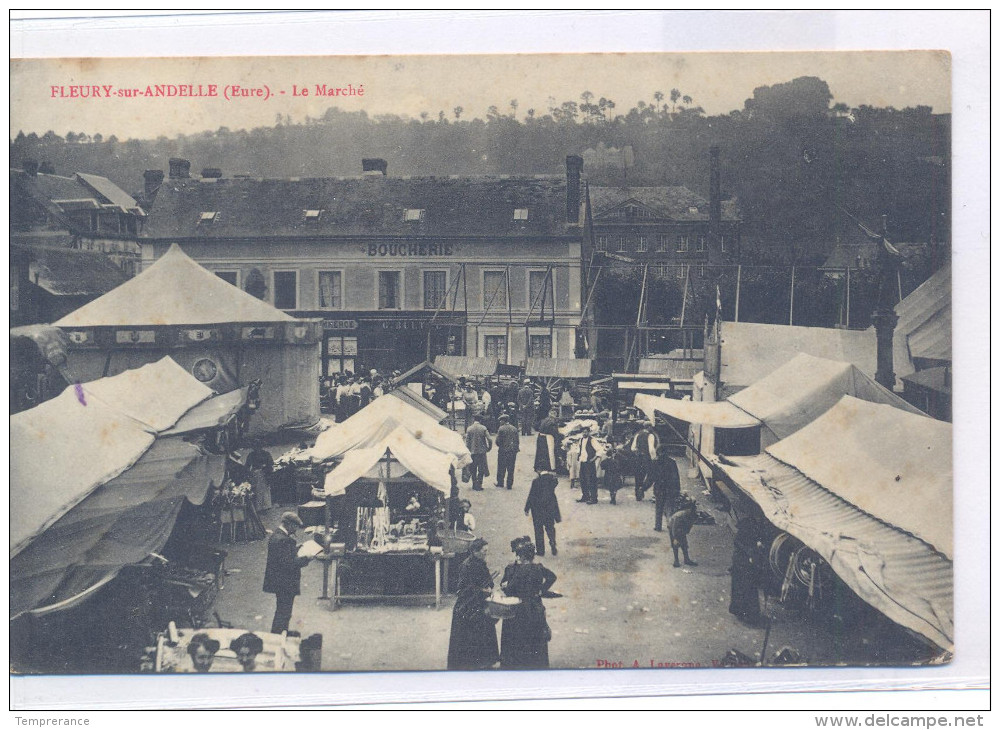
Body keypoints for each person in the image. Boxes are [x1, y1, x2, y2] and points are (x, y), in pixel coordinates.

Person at [499, 540, 557, 669]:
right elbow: (552, 577)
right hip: (534, 606)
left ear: (521, 556)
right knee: (534, 637)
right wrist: (541, 590)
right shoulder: (538, 568)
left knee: (516, 637)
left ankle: (516, 665)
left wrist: (505, 587)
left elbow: (510, 589)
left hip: (518, 607)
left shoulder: (516, 570)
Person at [446, 538, 500, 670]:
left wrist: (488, 588)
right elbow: (462, 589)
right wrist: (482, 590)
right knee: (470, 634)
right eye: (483, 551)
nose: (485, 553)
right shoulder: (466, 566)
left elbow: (488, 581)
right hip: (468, 605)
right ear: (475, 551)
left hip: (479, 602)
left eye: (487, 551)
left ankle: (483, 661)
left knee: (483, 631)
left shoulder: (480, 563)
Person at [263, 512, 313, 634]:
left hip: (279, 581)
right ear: (289, 524)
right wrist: (307, 558)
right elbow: (290, 563)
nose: (296, 529)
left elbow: (283, 555)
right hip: (285, 583)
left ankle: (280, 634)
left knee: (282, 611)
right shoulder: (284, 540)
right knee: (284, 613)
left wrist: (295, 549)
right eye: (295, 526)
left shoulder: (277, 535)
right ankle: (278, 636)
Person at [729, 519, 767, 626]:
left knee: (740, 589)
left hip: (740, 565)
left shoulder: (742, 535)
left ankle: (739, 610)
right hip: (742, 565)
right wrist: (752, 554)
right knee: (748, 589)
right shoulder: (745, 536)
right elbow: (748, 549)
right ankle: (750, 616)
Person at [525, 469, 560, 557]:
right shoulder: (552, 479)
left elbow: (531, 495)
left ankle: (541, 551)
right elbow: (555, 482)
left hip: (537, 509)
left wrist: (527, 508)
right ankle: (552, 541)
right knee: (550, 526)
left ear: (539, 470)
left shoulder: (536, 481)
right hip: (549, 507)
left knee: (538, 530)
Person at [629, 420, 660, 501]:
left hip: (638, 457)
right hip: (647, 457)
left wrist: (638, 452)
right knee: (651, 475)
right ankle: (642, 489)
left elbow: (633, 448)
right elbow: (651, 449)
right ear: (649, 427)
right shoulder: (650, 436)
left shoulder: (638, 435)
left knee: (638, 475)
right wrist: (654, 458)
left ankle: (637, 494)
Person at [651, 450, 681, 531]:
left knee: (659, 508)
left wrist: (643, 488)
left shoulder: (655, 462)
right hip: (670, 489)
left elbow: (651, 477)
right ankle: (670, 526)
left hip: (659, 489)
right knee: (669, 509)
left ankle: (658, 526)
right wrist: (677, 489)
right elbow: (676, 477)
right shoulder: (672, 462)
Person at [668, 494, 699, 568]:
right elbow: (674, 528)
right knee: (675, 544)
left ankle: (686, 559)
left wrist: (685, 531)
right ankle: (676, 561)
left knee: (684, 543)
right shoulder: (679, 516)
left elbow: (690, 524)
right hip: (673, 527)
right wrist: (675, 537)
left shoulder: (690, 514)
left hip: (681, 528)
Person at [464, 415, 493, 491]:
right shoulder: (483, 428)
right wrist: (489, 448)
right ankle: (479, 485)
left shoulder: (469, 429)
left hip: (472, 452)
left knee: (473, 469)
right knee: (481, 469)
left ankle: (474, 484)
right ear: (480, 420)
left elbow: (467, 442)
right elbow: (490, 439)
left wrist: (467, 451)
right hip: (481, 452)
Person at [246, 441, 275, 513]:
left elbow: (271, 463)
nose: (257, 448)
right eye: (255, 447)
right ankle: (259, 508)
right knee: (257, 490)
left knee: (265, 490)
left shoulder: (266, 454)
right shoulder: (251, 455)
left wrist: (266, 468)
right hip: (255, 473)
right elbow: (247, 465)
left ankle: (265, 507)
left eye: (258, 446)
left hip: (265, 473)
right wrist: (249, 474)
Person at [494, 413, 520, 490]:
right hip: (512, 451)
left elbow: (498, 441)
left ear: (503, 421)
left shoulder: (501, 429)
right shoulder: (514, 428)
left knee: (501, 467)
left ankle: (500, 483)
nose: (500, 422)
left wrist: (501, 446)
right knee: (511, 468)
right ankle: (509, 484)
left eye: (501, 420)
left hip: (503, 451)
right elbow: (517, 441)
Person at [576, 426, 600, 505]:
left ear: (589, 432)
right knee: (583, 480)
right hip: (583, 462)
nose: (584, 433)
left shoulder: (592, 440)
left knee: (591, 480)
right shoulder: (581, 440)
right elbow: (580, 450)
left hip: (589, 463)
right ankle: (585, 496)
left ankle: (594, 498)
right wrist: (579, 457)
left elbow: (599, 450)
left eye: (586, 432)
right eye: (583, 432)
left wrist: (593, 459)